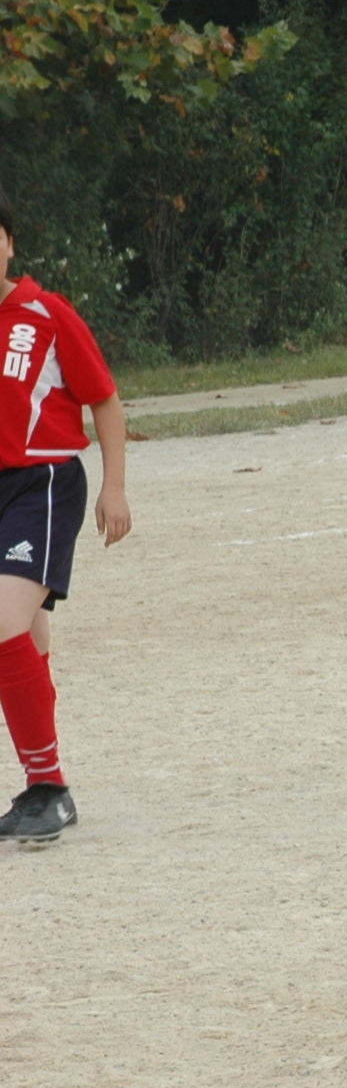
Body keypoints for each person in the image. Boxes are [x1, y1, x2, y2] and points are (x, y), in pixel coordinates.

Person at [0, 188, 131, 844]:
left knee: (2, 625)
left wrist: (115, 487)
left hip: (42, 483)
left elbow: (104, 399)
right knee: (27, 640)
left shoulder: (45, 315)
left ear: (10, 243)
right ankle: (45, 785)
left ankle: (47, 789)